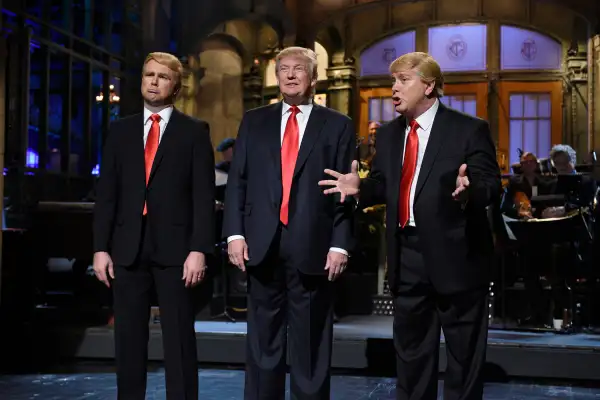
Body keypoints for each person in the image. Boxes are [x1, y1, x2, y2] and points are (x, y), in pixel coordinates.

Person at [318, 51, 501, 400]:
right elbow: (387, 183)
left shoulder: (468, 129)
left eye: (403, 80)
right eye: (392, 81)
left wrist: (470, 191)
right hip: (407, 256)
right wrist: (360, 188)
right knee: (412, 356)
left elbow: (489, 184)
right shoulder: (388, 134)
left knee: (464, 359)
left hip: (458, 257)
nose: (394, 88)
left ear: (429, 86)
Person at [223, 46, 355, 399]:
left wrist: (340, 243)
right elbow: (238, 181)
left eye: (299, 69)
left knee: (311, 341)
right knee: (262, 341)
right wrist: (234, 233)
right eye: (283, 69)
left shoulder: (338, 124)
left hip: (313, 244)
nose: (290, 75)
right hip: (261, 242)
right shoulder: (255, 121)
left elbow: (345, 189)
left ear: (313, 78)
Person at [92, 52, 215, 400]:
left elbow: (204, 198)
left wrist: (199, 249)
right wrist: (100, 248)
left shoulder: (193, 132)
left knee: (178, 341)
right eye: (149, 74)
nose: (154, 81)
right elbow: (107, 195)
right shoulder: (120, 131)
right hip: (127, 248)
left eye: (162, 76)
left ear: (175, 86)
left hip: (177, 252)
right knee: (128, 341)